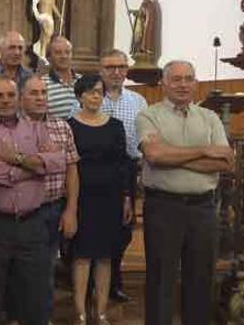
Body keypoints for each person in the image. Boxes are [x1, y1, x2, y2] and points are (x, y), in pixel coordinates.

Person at [138, 61, 233, 325]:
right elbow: (154, 155)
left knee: (202, 280)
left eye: (188, 79)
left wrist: (174, 156)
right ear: (164, 84)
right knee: (160, 280)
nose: (183, 84)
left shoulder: (210, 118)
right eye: (177, 79)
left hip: (203, 209)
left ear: (196, 83)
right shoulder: (149, 115)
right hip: (163, 208)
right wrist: (205, 150)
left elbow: (226, 162)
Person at [0, 75, 66, 325]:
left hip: (32, 224)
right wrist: (34, 167)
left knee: (35, 298)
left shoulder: (35, 127)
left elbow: (58, 162)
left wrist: (17, 159)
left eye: (10, 95)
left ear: (19, 98)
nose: (5, 100)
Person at [67, 74, 132, 325]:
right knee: (82, 256)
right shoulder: (69, 124)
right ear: (80, 95)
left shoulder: (115, 126)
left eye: (99, 92)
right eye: (91, 91)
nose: (96, 96)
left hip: (111, 197)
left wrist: (127, 197)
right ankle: (80, 311)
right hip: (81, 197)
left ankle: (101, 310)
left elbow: (123, 164)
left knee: (105, 256)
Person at [19, 75, 80, 323]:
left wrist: (71, 210)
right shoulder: (9, 127)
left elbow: (72, 169)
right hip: (20, 211)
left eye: (43, 93)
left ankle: (42, 319)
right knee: (20, 272)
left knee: (46, 271)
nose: (40, 98)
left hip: (52, 209)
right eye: (34, 93)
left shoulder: (61, 127)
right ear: (22, 98)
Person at [99, 49, 148, 303]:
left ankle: (115, 281)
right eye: (110, 67)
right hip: (98, 171)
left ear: (127, 70)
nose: (116, 72)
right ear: (101, 71)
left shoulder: (138, 101)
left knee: (123, 230)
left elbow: (145, 138)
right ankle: (93, 284)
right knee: (97, 228)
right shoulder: (92, 98)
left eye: (120, 67)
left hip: (128, 169)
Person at [42, 35, 81, 119]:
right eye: (58, 52)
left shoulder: (83, 81)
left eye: (67, 52)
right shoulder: (42, 84)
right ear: (48, 58)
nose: (64, 56)